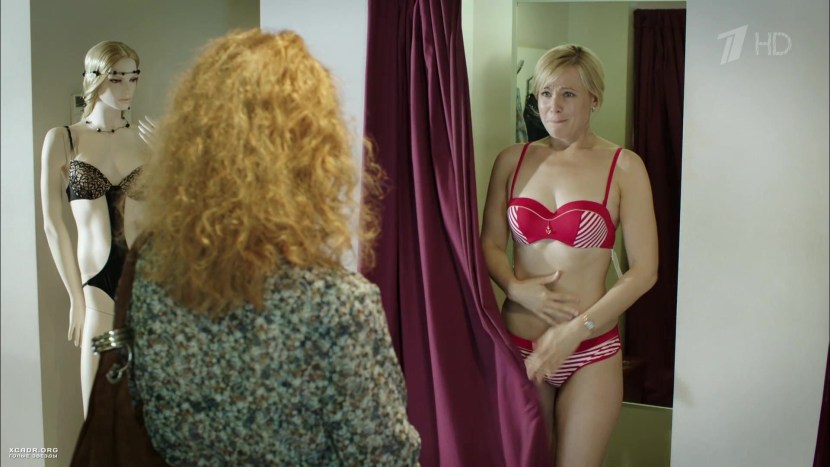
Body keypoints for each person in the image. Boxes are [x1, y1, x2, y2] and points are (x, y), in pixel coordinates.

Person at [124, 29, 421, 465]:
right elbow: (385, 457)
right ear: (313, 153)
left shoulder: (153, 272)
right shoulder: (337, 305)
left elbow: (142, 406)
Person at [481, 44, 658, 466]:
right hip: (519, 345)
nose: (553, 105)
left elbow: (644, 271)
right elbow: (489, 244)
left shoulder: (624, 166)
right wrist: (516, 289)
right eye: (545, 93)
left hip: (590, 348)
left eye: (568, 94)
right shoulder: (511, 160)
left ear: (594, 98)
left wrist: (576, 331)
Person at [40, 40, 153, 416]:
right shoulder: (65, 139)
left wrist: (171, 158)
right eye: (116, 79)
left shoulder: (145, 141)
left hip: (145, 283)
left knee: (146, 409)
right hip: (96, 291)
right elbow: (53, 225)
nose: (126, 88)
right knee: (98, 411)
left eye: (133, 78)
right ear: (94, 78)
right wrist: (75, 297)